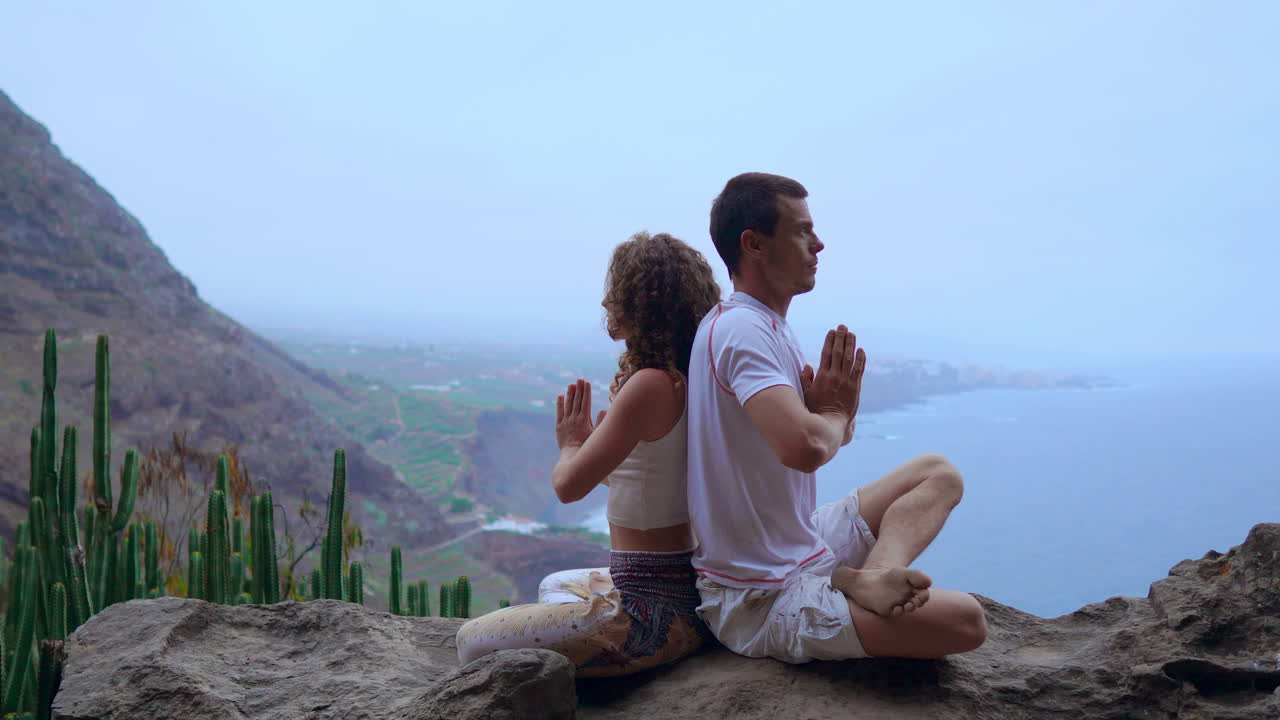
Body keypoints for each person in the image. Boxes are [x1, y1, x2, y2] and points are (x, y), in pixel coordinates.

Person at [686, 172, 988, 663]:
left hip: (801, 547)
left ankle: (874, 577)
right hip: (759, 597)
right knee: (965, 620)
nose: (818, 244)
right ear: (754, 243)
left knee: (937, 473)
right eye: (802, 231)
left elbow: (815, 439)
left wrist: (835, 420)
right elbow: (804, 448)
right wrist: (832, 415)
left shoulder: (763, 324)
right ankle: (862, 584)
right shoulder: (742, 329)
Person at [455, 231, 722, 677]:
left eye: (616, 290)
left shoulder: (650, 384)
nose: (605, 304)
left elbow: (568, 487)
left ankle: (624, 649)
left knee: (469, 642)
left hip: (648, 606)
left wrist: (573, 445)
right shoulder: (688, 378)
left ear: (643, 301)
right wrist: (590, 449)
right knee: (554, 583)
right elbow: (642, 478)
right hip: (680, 588)